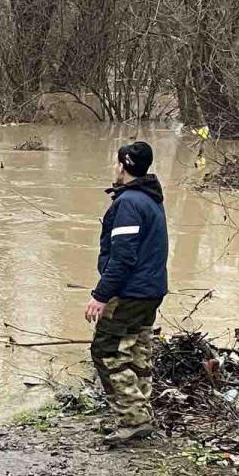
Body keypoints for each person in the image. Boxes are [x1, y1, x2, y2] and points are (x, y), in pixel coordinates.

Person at [84, 141, 169, 446]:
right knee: (137, 351)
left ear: (123, 166)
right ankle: (140, 415)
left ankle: (132, 420)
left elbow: (122, 258)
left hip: (131, 293)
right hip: (151, 291)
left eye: (117, 163)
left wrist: (100, 295)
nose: (115, 168)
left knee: (106, 350)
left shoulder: (129, 203)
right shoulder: (151, 198)